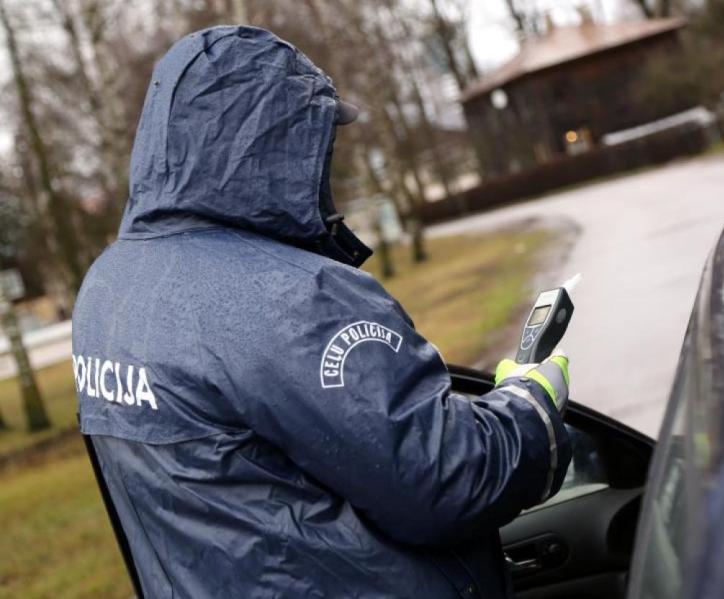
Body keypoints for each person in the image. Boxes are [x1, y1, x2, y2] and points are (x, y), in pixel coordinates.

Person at [72, 26, 571, 598]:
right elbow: (447, 482)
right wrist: (531, 408)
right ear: (276, 144)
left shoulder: (109, 290)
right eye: (316, 142)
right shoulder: (293, 300)